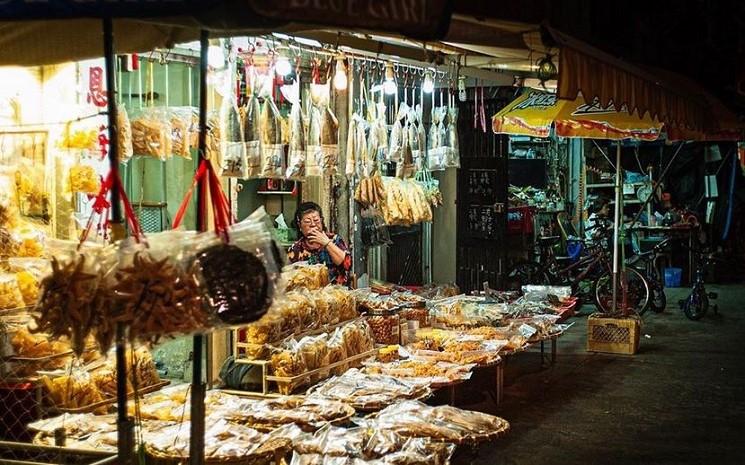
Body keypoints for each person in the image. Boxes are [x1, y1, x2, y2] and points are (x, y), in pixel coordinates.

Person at [287, 202, 352, 286]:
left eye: (316, 220)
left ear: (321, 221)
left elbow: (347, 265)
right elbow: (288, 277)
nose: (313, 224)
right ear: (300, 225)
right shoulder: (295, 248)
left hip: (336, 293)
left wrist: (327, 243)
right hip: (308, 295)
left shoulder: (335, 240)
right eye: (307, 222)